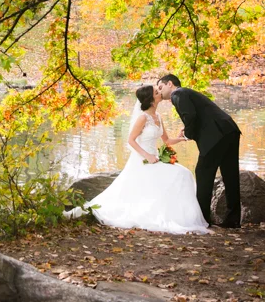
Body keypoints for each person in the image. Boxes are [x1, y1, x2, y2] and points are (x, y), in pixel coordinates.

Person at [66, 84, 209, 234]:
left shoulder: (158, 117)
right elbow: (131, 140)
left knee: (184, 173)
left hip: (155, 159)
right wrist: (147, 155)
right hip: (143, 160)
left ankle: (183, 218)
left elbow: (166, 140)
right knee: (181, 175)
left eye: (158, 90)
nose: (159, 92)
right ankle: (174, 217)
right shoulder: (143, 118)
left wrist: (182, 139)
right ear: (151, 99)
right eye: (156, 92)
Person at [157, 74, 241, 228]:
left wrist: (188, 133)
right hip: (229, 129)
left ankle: (202, 220)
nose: (159, 92)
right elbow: (197, 115)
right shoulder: (186, 93)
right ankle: (233, 219)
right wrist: (188, 128)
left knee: (203, 172)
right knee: (230, 175)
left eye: (160, 87)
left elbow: (190, 115)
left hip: (216, 136)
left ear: (170, 84)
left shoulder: (178, 93)